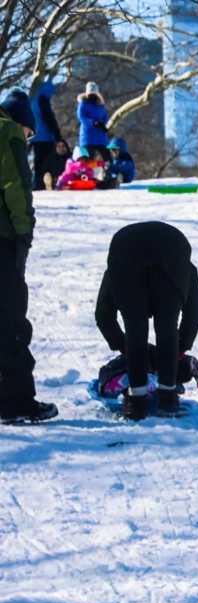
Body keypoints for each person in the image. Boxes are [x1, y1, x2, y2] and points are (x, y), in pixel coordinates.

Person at [94, 221, 198, 421]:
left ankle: (136, 402)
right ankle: (168, 399)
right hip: (171, 253)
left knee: (135, 330)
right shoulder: (186, 268)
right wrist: (181, 347)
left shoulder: (115, 269)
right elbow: (194, 311)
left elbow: (103, 314)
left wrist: (123, 345)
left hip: (127, 254)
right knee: (167, 327)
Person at [0, 90, 57, 424]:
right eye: (29, 133)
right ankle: (18, 402)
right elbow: (16, 186)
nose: (28, 139)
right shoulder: (7, 131)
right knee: (11, 322)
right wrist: (25, 232)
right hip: (4, 239)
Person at [29, 79, 67, 191]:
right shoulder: (43, 100)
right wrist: (57, 136)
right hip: (45, 137)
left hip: (35, 137)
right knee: (48, 164)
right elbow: (49, 119)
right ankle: (43, 185)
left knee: (38, 163)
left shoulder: (32, 100)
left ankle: (37, 185)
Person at [76, 81, 110, 161]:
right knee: (87, 160)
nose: (92, 95)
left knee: (107, 159)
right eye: (91, 93)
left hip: (100, 138)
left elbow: (105, 116)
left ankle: (107, 171)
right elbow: (81, 117)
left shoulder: (100, 105)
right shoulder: (83, 104)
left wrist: (104, 125)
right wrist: (92, 122)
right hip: (87, 137)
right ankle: (88, 172)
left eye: (94, 93)